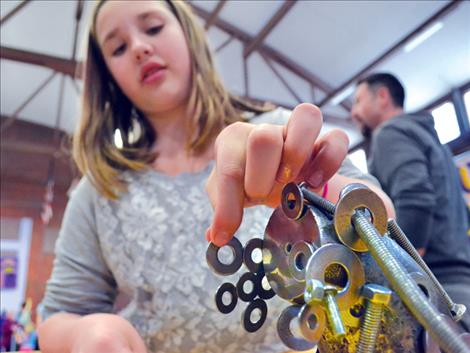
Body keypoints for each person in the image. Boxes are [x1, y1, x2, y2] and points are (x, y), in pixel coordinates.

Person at [37, 1, 394, 352]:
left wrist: (314, 186)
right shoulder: (101, 187)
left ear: (189, 35)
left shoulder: (278, 135)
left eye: (154, 28)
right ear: (109, 75)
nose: (140, 48)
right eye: (117, 47)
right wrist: (90, 333)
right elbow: (57, 314)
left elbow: (387, 220)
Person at [351, 72, 470, 331]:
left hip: (435, 286)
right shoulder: (429, 139)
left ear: (382, 97)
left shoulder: (390, 133)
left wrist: (402, 271)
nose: (353, 112)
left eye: (358, 101)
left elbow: (415, 199)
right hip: (459, 281)